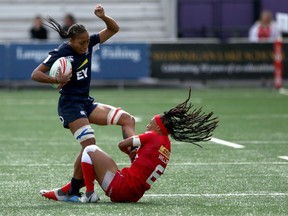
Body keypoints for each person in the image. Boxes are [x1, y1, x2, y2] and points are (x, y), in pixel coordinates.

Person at [31, 4, 136, 202]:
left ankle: (134, 155)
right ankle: (82, 191)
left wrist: (103, 17)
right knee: (90, 146)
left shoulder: (89, 44)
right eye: (81, 42)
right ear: (71, 41)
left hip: (86, 103)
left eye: (87, 41)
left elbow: (114, 29)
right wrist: (56, 80)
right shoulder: (62, 52)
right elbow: (35, 74)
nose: (86, 46)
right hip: (71, 105)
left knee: (126, 119)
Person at [73, 89, 218, 203]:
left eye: (151, 123)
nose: (148, 125)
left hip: (121, 187)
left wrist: (130, 153)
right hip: (133, 196)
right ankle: (68, 191)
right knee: (94, 165)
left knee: (89, 150)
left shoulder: (153, 135)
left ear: (159, 128)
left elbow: (122, 144)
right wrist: (134, 158)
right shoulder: (167, 146)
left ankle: (89, 194)